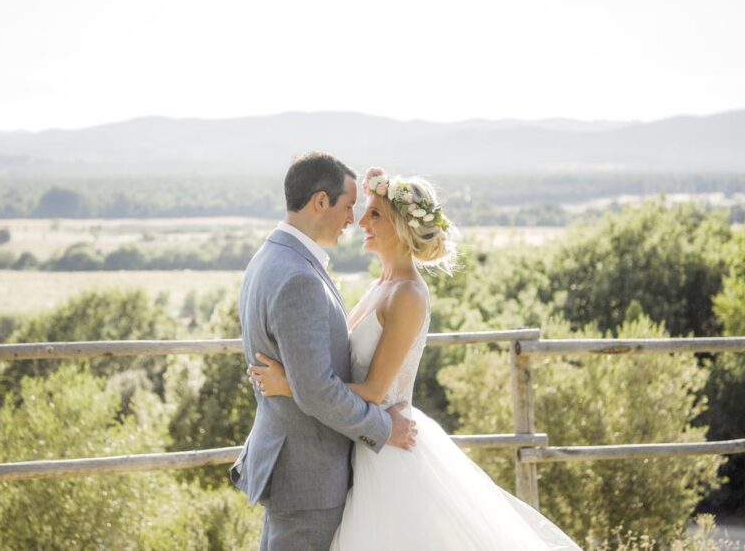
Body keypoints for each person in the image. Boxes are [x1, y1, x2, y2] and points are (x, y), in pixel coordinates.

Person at [249, 166, 582, 550]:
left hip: (389, 446)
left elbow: (374, 390)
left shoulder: (407, 295)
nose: (361, 222)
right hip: (362, 441)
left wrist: (290, 384)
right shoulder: (381, 285)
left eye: (375, 214)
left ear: (403, 228)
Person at [230, 152, 418, 551]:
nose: (354, 219)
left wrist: (289, 384)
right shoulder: (299, 276)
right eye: (349, 206)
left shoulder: (270, 258)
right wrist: (384, 428)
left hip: (294, 467)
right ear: (320, 202)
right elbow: (317, 390)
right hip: (308, 476)